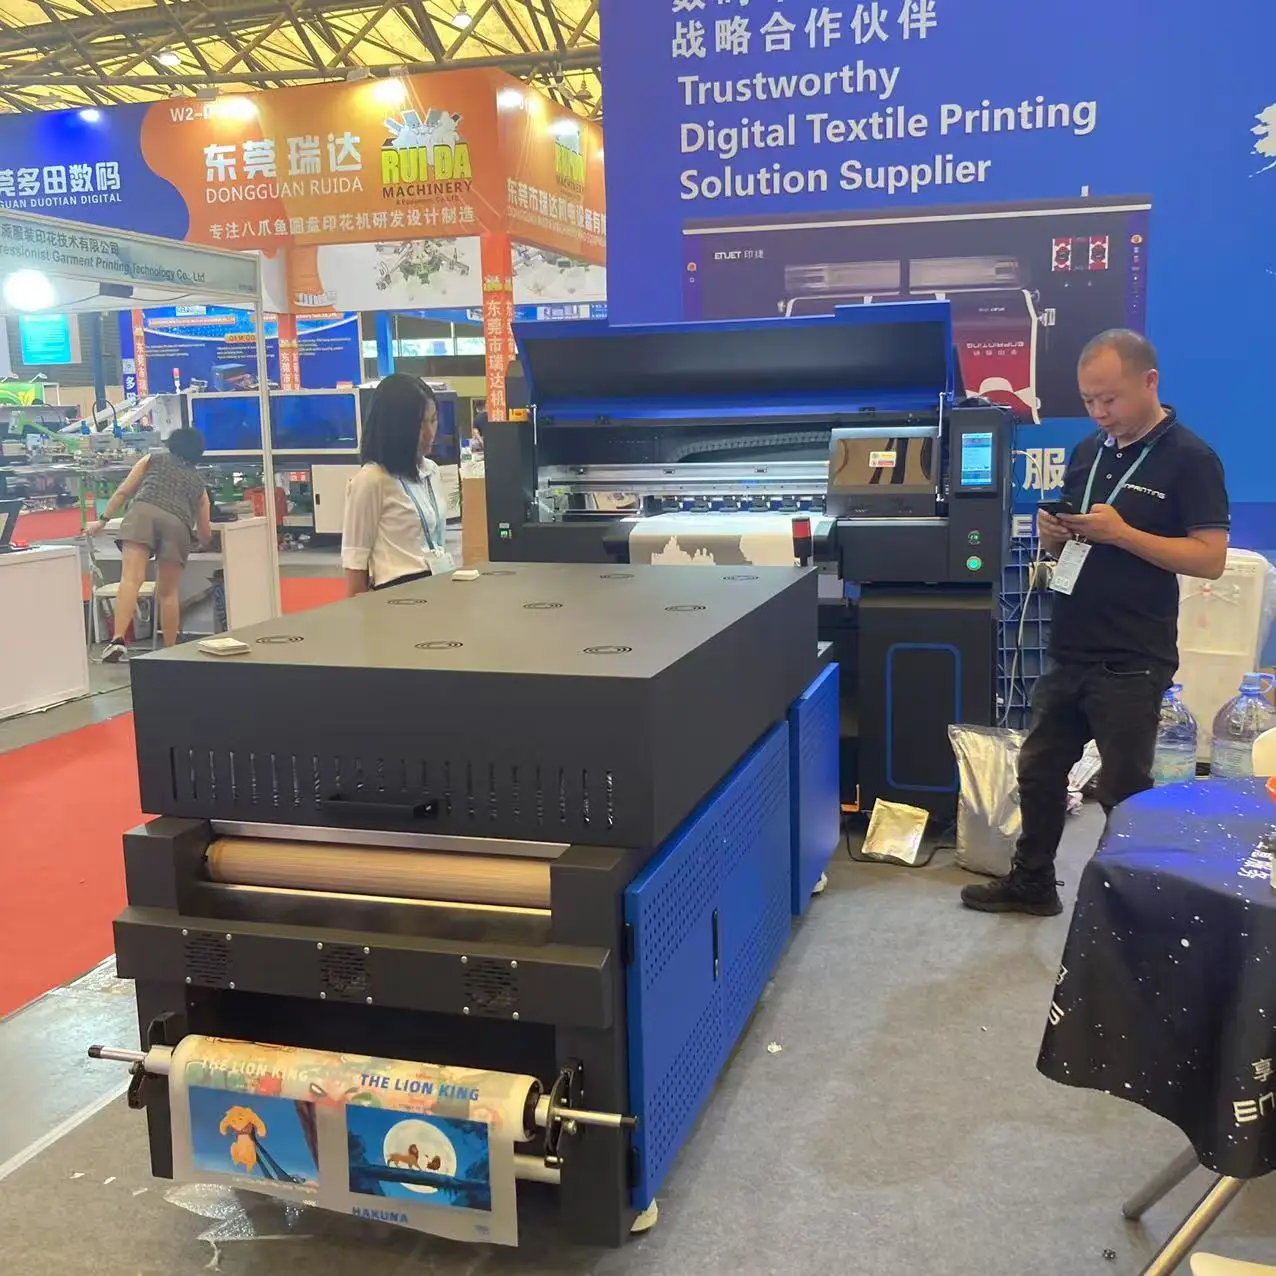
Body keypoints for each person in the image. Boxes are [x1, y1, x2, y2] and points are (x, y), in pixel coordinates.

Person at [962, 329, 1229, 917]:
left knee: (1123, 790)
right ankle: (1032, 882)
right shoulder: (1088, 451)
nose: (1100, 412)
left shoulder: (1191, 459)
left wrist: (1124, 534)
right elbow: (1072, 542)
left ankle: (1131, 907)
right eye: (1089, 400)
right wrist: (1054, 535)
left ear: (1149, 382)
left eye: (1111, 398)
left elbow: (1210, 557)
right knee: (1039, 770)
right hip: (1071, 645)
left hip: (1133, 657)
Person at [88, 427, 212, 661]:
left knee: (131, 579)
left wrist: (102, 520)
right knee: (168, 592)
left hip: (142, 514)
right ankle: (170, 650)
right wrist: (205, 543)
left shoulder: (152, 460)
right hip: (176, 525)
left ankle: (117, 640)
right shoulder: (199, 485)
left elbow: (123, 492)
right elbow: (205, 530)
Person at [341, 373, 454, 595]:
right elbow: (355, 566)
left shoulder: (431, 471)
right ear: (394, 427)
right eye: (419, 424)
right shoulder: (371, 480)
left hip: (438, 590)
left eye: (433, 420)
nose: (429, 433)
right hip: (396, 598)